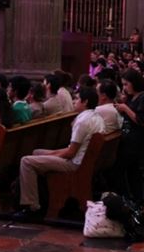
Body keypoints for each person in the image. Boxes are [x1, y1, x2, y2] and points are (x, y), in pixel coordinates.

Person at [13, 87, 105, 221]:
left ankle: (32, 207)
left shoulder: (82, 121)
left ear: (85, 102)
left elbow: (70, 153)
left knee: (26, 161)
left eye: (77, 99)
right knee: (36, 152)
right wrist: (50, 154)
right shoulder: (96, 117)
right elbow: (71, 149)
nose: (74, 101)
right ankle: (43, 197)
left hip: (74, 164)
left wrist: (51, 156)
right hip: (82, 160)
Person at [113, 70, 144, 203]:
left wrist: (125, 108)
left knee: (130, 170)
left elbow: (141, 120)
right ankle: (130, 199)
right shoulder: (131, 97)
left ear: (134, 83)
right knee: (128, 171)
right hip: (127, 138)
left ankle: (133, 199)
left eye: (126, 84)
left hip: (135, 140)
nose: (124, 87)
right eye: (123, 85)